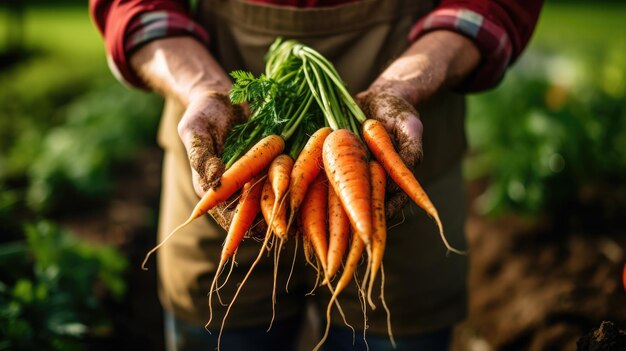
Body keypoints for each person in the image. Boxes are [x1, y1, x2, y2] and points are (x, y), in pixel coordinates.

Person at [90, 1, 542, 350]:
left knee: (390, 320)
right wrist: (203, 88)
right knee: (218, 319)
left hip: (398, 151)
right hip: (231, 162)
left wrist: (401, 87)